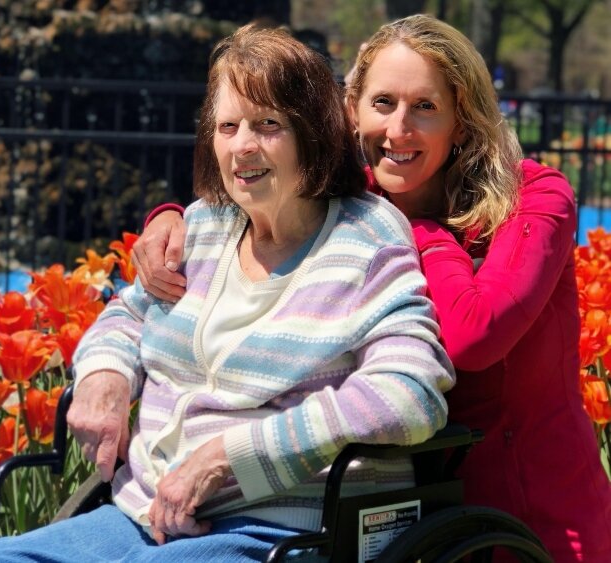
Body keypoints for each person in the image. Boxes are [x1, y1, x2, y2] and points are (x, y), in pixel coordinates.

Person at [0, 24, 455, 562]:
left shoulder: (366, 237)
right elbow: (127, 315)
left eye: (268, 125)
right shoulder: (204, 228)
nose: (242, 146)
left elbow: (408, 392)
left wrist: (229, 457)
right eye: (228, 126)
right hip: (139, 517)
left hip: (283, 528)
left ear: (313, 132)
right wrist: (104, 378)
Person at [133, 14, 611, 563]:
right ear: (353, 110)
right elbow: (253, 205)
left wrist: (424, 228)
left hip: (529, 519)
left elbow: (476, 336)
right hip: (400, 518)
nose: (398, 130)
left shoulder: (533, 198)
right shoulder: (353, 199)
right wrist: (169, 219)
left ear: (462, 119)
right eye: (383, 104)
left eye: (425, 107)